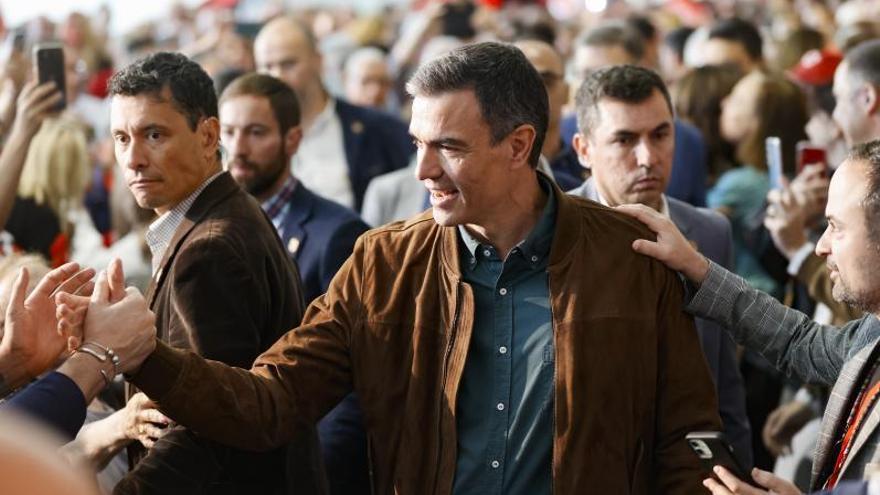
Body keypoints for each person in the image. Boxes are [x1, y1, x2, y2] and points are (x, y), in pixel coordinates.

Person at [101, 41, 720, 494]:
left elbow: (689, 436)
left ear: (519, 145)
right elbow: (271, 402)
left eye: (448, 147)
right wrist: (145, 354)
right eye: (416, 144)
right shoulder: (384, 263)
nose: (422, 171)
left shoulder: (630, 256)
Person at [105, 52, 320, 493]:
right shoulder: (219, 215)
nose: (134, 158)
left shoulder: (210, 249)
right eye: (121, 138)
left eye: (154, 134)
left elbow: (206, 427)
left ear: (208, 136)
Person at [615, 139, 880, 493]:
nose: (821, 246)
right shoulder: (871, 332)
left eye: (837, 226)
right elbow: (798, 341)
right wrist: (696, 267)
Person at [568, 64, 752, 468]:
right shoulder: (550, 235)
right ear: (583, 149)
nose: (647, 157)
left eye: (660, 135)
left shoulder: (712, 232)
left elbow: (723, 380)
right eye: (624, 140)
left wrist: (739, 473)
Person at [219, 72, 370, 494]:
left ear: (293, 139)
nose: (238, 147)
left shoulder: (336, 233)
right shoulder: (209, 231)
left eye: (256, 132)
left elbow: (355, 379)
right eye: (228, 132)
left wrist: (319, 472)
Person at [254, 16, 413, 211]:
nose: (276, 76)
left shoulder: (379, 129)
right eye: (267, 66)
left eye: (288, 64)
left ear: (318, 60)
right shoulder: (249, 137)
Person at [562, 20, 710, 207]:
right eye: (584, 74)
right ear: (583, 149)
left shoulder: (688, 140)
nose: (647, 159)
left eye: (607, 72)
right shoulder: (560, 133)